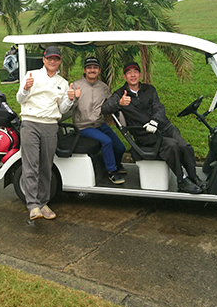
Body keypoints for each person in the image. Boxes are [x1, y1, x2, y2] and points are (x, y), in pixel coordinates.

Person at [102, 61, 205, 194]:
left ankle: (193, 176)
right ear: (124, 77)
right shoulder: (120, 94)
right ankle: (182, 180)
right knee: (171, 146)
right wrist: (119, 103)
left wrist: (155, 121)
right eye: (129, 73)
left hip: (163, 126)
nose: (133, 75)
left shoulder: (149, 90)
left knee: (185, 146)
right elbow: (105, 109)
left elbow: (159, 107)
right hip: (145, 134)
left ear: (140, 75)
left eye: (135, 72)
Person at [16, 46, 75, 220]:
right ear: (44, 59)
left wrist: (70, 99)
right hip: (30, 123)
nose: (52, 61)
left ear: (59, 61)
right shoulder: (31, 75)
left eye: (56, 59)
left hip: (50, 125)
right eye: (49, 58)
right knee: (31, 165)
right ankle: (33, 205)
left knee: (46, 166)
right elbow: (20, 99)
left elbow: (62, 109)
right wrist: (25, 88)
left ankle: (43, 203)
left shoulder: (63, 83)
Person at [70, 57, 127, 185]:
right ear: (84, 70)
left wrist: (120, 103)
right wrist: (73, 98)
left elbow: (109, 105)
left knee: (120, 147)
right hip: (83, 126)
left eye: (95, 68)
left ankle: (117, 164)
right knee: (106, 141)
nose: (92, 70)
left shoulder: (103, 87)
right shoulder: (76, 85)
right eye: (89, 68)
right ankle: (111, 171)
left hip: (99, 124)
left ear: (99, 70)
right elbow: (68, 106)